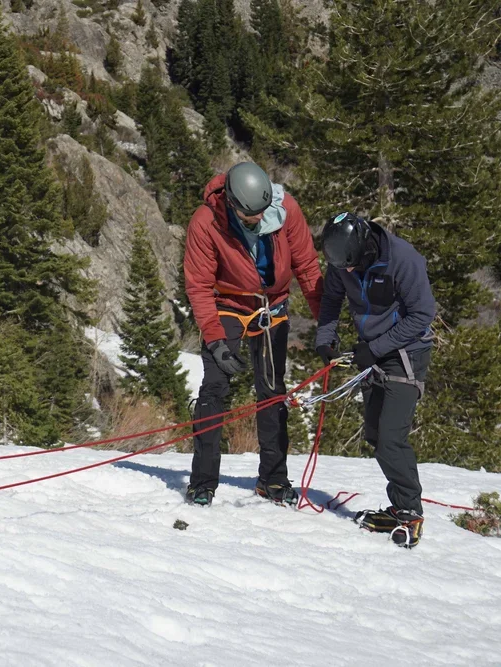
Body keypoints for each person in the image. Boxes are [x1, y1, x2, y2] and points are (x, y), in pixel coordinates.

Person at [183, 162, 324, 507]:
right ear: (231, 203)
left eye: (262, 213)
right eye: (251, 216)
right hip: (227, 305)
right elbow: (199, 286)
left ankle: (273, 480)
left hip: (271, 307)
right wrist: (215, 341)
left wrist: (327, 324)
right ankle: (202, 482)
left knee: (272, 393)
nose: (259, 221)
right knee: (214, 388)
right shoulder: (206, 222)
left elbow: (306, 267)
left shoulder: (285, 209)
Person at [315, 212, 435, 548]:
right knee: (373, 434)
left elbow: (423, 314)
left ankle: (410, 513)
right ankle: (398, 507)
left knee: (390, 438)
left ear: (367, 248)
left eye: (352, 266)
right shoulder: (343, 259)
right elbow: (331, 300)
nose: (347, 272)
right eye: (343, 267)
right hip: (372, 353)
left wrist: (377, 348)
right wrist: (325, 338)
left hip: (406, 355)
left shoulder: (403, 260)